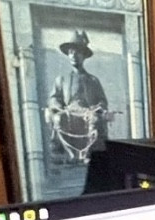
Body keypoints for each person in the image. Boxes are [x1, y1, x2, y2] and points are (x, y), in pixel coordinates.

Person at [45, 30, 110, 161]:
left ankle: (88, 153)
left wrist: (97, 108)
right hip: (69, 112)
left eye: (77, 52)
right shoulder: (61, 79)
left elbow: (102, 101)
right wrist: (57, 106)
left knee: (94, 120)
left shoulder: (93, 80)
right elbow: (54, 98)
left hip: (87, 112)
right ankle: (67, 154)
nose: (73, 56)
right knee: (58, 118)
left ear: (83, 55)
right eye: (71, 52)